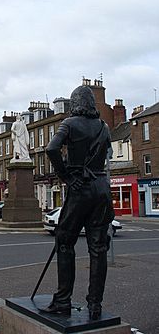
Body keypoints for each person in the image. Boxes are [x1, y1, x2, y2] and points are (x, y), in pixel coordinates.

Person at [44, 85, 114, 320]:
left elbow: (51, 148)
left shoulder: (70, 123)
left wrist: (65, 176)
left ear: (75, 104)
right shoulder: (104, 127)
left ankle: (63, 301)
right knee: (99, 247)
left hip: (81, 187)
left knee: (64, 242)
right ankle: (95, 305)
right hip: (102, 188)